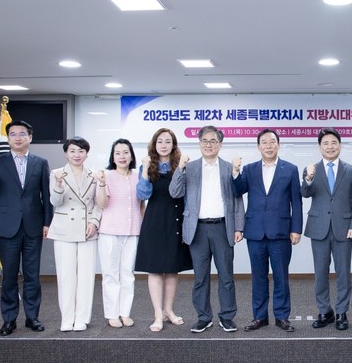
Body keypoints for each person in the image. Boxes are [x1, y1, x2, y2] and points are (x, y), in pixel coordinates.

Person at [0, 120, 53, 336]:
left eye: (22, 134)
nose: (17, 137)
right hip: (7, 226)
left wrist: (47, 222)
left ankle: (32, 317)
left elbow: (46, 196)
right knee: (9, 276)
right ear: (8, 138)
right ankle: (9, 319)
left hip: (33, 226)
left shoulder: (40, 163)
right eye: (13, 134)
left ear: (30, 137)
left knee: (32, 275)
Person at [169, 126, 245, 334]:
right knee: (200, 277)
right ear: (199, 143)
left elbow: (237, 199)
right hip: (197, 230)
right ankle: (203, 317)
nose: (208, 144)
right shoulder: (190, 167)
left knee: (226, 276)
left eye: (213, 141)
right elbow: (175, 192)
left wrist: (239, 227)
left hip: (223, 227)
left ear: (220, 144)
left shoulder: (228, 167)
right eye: (205, 140)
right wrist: (180, 168)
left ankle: (227, 317)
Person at [232, 129, 303, 332]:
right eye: (264, 142)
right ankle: (259, 317)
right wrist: (235, 172)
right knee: (258, 278)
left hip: (281, 232)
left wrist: (296, 229)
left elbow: (296, 202)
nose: (269, 146)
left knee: (281, 277)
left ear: (278, 145)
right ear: (258, 147)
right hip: (255, 232)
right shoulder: (249, 169)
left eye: (272, 142)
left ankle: (282, 317)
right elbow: (238, 190)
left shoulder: (290, 169)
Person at [300, 128, 352, 331]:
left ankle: (342, 312)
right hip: (319, 228)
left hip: (344, 228)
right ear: (320, 147)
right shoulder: (311, 169)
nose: (330, 146)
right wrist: (309, 178)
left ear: (340, 145)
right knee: (320, 273)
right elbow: (305, 193)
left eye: (334, 142)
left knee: (343, 273)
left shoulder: (351, 170)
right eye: (325, 143)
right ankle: (324, 311)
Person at [135, 128, 193, 332]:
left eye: (168, 141)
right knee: (155, 269)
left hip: (176, 220)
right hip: (155, 221)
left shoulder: (182, 165)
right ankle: (157, 314)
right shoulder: (148, 166)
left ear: (173, 145)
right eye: (160, 141)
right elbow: (143, 194)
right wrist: (144, 169)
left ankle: (169, 310)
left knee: (171, 269)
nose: (164, 145)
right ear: (154, 144)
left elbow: (185, 194)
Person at [48, 137, 102, 332]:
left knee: (86, 276)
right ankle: (67, 318)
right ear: (66, 153)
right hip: (64, 229)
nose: (76, 155)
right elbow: (55, 202)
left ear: (87, 154)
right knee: (66, 276)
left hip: (87, 229)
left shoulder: (94, 175)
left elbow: (98, 203)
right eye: (72, 151)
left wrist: (94, 222)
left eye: (81, 151)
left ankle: (82, 318)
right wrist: (59, 185)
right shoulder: (57, 173)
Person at [95, 138, 144, 328]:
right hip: (110, 232)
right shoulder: (106, 176)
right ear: (112, 157)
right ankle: (112, 314)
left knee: (128, 274)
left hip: (133, 232)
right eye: (118, 153)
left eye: (125, 152)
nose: (122, 156)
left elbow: (141, 204)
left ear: (131, 155)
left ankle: (125, 313)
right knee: (111, 274)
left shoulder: (138, 176)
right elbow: (102, 204)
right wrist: (101, 184)